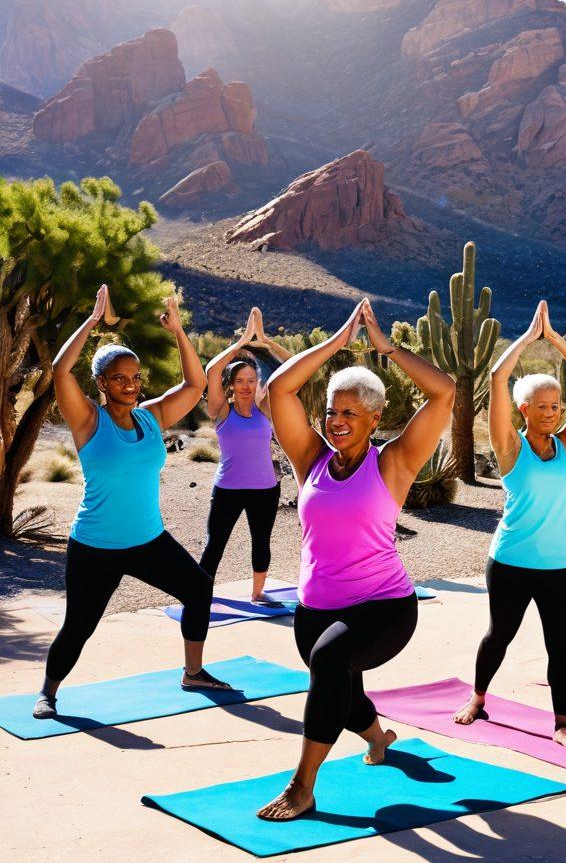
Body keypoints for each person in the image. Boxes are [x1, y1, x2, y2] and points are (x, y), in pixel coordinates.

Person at [257, 299, 454, 821]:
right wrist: (337, 344)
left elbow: (444, 392)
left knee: (329, 662)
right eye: (331, 411)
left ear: (375, 416)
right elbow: (279, 388)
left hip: (384, 606)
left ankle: (303, 785)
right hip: (315, 606)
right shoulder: (311, 460)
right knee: (339, 691)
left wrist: (386, 348)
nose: (336, 421)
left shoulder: (393, 462)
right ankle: (379, 737)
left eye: (349, 412)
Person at [34, 286, 231, 720]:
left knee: (199, 587)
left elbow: (196, 384)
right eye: (120, 378)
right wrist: (92, 320)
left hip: (148, 539)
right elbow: (60, 369)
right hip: (96, 545)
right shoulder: (88, 420)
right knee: (79, 626)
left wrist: (179, 331)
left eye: (135, 377)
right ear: (101, 383)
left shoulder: (152, 415)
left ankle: (194, 672)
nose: (130, 385)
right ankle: (48, 692)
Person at [452, 301, 566, 750]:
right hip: (512, 560)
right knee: (500, 633)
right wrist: (527, 337)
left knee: (562, 643)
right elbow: (498, 378)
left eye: (557, 405)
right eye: (543, 406)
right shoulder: (509, 447)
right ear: (524, 409)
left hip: (562, 563)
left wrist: (556, 339)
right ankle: (478, 697)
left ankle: (562, 722)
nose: (553, 413)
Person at [200, 308, 292, 603]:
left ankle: (258, 592)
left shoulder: (265, 408)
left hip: (265, 488)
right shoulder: (221, 410)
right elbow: (212, 370)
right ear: (231, 384)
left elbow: (293, 366)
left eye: (252, 380)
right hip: (227, 489)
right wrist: (242, 342)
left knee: (261, 542)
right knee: (215, 544)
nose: (247, 386)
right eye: (240, 380)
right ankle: (201, 594)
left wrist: (264, 341)